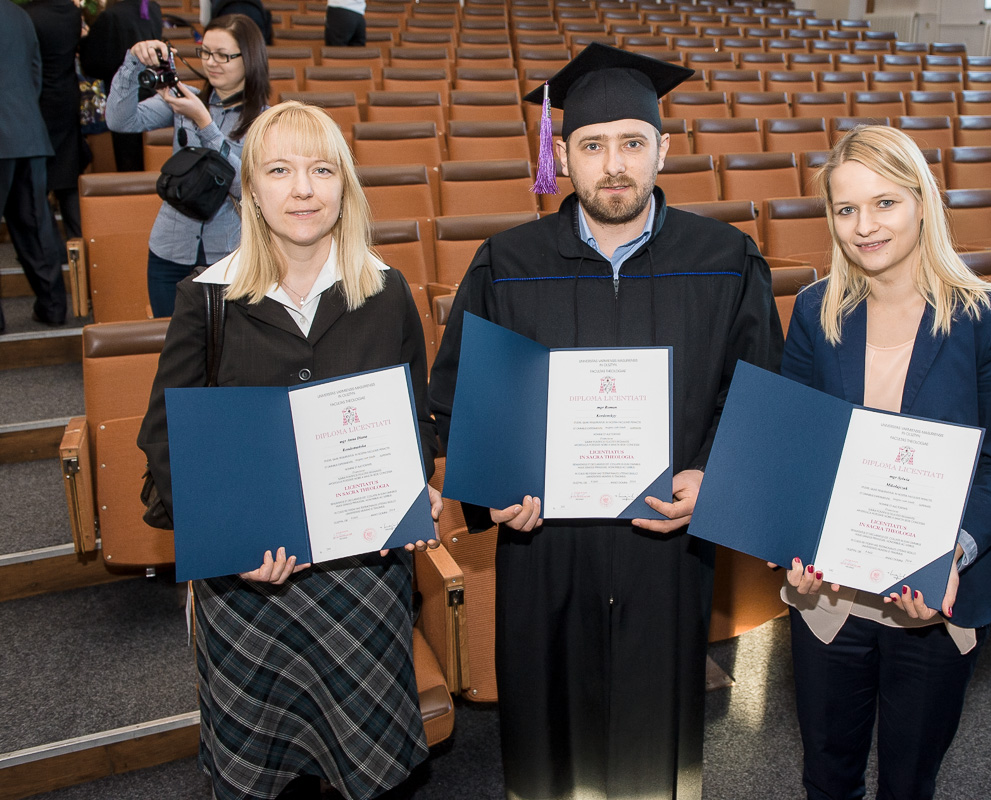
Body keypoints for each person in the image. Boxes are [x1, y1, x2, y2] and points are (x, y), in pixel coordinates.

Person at [428, 44, 783, 800]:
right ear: (561, 156)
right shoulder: (506, 264)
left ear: (663, 148)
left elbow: (760, 393)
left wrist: (713, 476)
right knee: (548, 738)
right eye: (592, 146)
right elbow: (458, 398)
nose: (614, 165)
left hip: (667, 542)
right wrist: (493, 490)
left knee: (657, 739)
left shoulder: (725, 259)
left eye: (631, 143)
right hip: (544, 546)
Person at [137, 100, 440, 800]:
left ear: (345, 186)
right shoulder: (205, 298)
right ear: (250, 187)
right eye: (279, 170)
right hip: (249, 584)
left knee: (368, 766)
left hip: (362, 577)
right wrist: (230, 543)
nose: (302, 189)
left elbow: (413, 417)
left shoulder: (386, 289)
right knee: (261, 774)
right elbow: (166, 439)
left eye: (321, 170)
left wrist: (412, 484)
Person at [780, 124, 991, 800]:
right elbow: (797, 455)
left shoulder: (989, 316)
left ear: (922, 201)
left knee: (909, 781)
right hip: (829, 596)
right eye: (846, 209)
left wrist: (953, 553)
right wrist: (791, 540)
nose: (864, 226)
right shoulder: (815, 312)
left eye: (885, 203)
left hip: (934, 597)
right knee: (826, 777)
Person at [105, 13, 269, 317]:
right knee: (172, 340)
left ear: (249, 58)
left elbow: (248, 188)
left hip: (230, 256)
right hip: (170, 249)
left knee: (227, 344)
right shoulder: (186, 99)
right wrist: (133, 62)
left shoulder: (267, 120)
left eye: (223, 55)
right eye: (205, 52)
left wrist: (204, 123)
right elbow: (119, 120)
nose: (211, 62)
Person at [0, 0, 70, 332]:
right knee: (34, 222)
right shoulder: (17, 13)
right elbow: (35, 72)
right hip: (26, 131)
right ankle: (53, 306)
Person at [23, 0, 89, 239]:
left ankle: (46, 244)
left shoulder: (27, 15)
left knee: (36, 179)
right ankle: (78, 241)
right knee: (68, 173)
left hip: (37, 101)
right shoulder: (72, 12)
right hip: (67, 97)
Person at [78, 0, 163, 172]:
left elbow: (94, 63)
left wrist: (84, 40)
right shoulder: (151, 7)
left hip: (123, 96)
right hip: (150, 89)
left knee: (130, 161)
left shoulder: (110, 16)